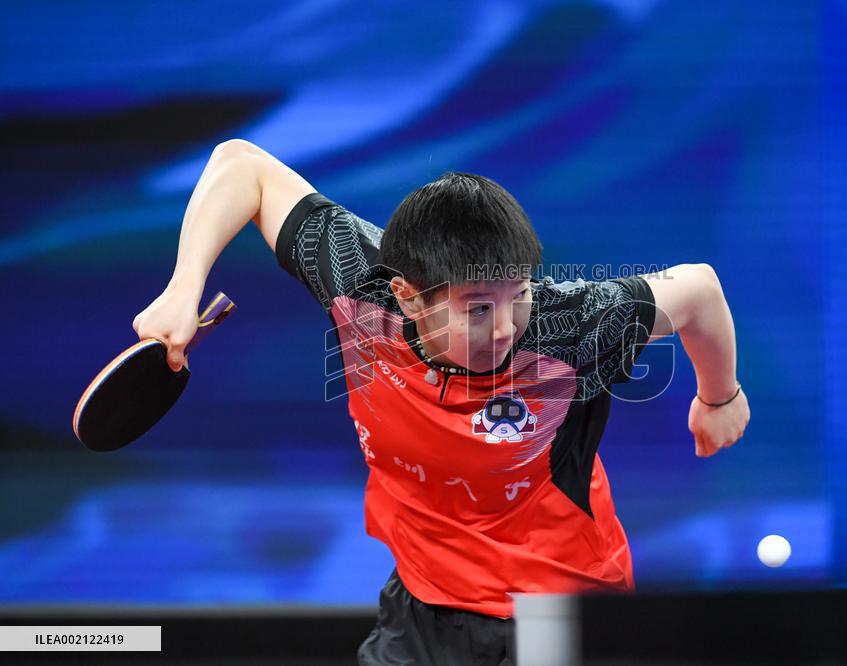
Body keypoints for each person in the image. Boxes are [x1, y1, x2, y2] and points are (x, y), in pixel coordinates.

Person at [133, 139, 750, 665]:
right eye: (479, 308)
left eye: (520, 295)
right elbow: (241, 164)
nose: (507, 326)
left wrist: (720, 396)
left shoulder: (571, 325)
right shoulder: (363, 285)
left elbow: (700, 288)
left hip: (561, 609)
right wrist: (184, 289)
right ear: (407, 296)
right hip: (423, 605)